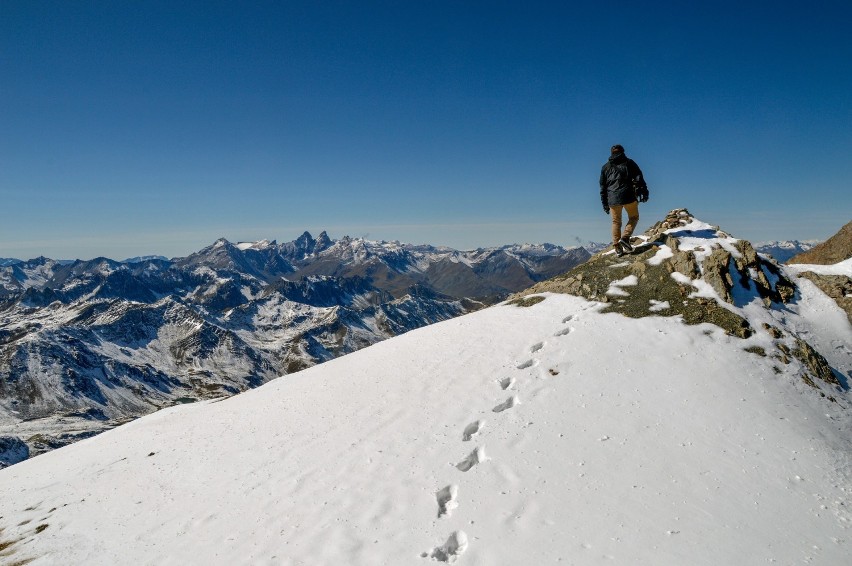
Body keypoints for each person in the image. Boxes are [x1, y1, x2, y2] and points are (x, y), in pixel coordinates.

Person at [599, 144, 649, 257]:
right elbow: (639, 178)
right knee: (634, 217)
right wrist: (645, 191)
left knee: (616, 222)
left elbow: (602, 187)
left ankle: (617, 247)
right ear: (623, 152)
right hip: (629, 196)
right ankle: (625, 238)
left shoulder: (605, 167)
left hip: (612, 199)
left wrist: (604, 204)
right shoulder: (630, 163)